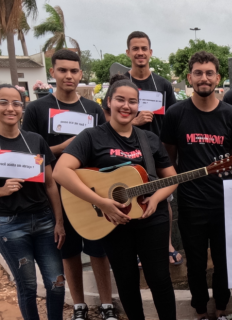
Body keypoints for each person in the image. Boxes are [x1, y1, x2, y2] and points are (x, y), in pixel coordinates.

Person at [53, 76, 177, 319]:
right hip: (112, 221)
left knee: (160, 279)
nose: (126, 106)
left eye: (132, 101)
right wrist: (101, 202)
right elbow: (60, 171)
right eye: (120, 99)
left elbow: (171, 177)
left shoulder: (148, 138)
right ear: (108, 102)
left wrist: (155, 199)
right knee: (127, 280)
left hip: (151, 217)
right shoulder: (91, 137)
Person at [21, 49, 114, 320]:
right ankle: (79, 306)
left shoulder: (93, 109)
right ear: (53, 73)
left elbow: (103, 148)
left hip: (92, 191)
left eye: (74, 71)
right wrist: (62, 148)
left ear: (81, 74)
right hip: (57, 195)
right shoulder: (38, 109)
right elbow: (31, 156)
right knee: (69, 251)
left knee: (98, 250)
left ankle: (107, 304)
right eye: (62, 70)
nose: (68, 76)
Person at [161, 51, 232, 320]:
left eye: (209, 73)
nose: (204, 78)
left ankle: (221, 309)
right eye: (198, 73)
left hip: (224, 203)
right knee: (195, 264)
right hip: (190, 204)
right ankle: (200, 310)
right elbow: (168, 158)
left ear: (218, 78)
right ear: (189, 78)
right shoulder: (175, 114)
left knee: (223, 262)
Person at [0, 84, 65, 320]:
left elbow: (50, 184)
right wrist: (1, 191)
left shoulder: (35, 140)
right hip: (9, 225)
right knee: (27, 286)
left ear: (22, 108)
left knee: (56, 283)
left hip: (44, 222)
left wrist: (59, 221)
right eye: (3, 102)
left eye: (16, 103)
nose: (10, 108)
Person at [124, 31, 182, 266]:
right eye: (135, 48)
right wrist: (133, 121)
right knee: (132, 200)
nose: (140, 52)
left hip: (157, 153)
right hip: (127, 152)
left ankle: (167, 244)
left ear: (150, 52)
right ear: (128, 53)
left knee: (163, 199)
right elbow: (110, 118)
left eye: (144, 48)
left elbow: (173, 117)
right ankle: (137, 248)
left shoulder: (163, 84)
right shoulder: (122, 82)